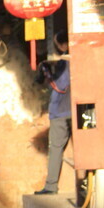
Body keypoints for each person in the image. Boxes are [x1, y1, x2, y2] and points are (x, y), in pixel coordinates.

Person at [35, 30, 71, 195]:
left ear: (63, 44)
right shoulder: (79, 58)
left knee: (55, 148)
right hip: (79, 109)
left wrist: (47, 73)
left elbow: (60, 85)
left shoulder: (65, 61)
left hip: (62, 111)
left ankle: (51, 186)